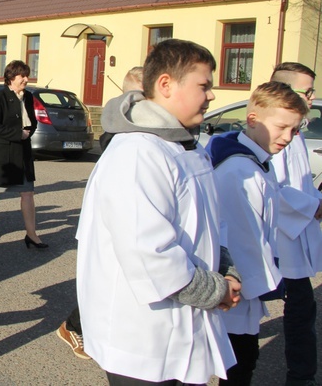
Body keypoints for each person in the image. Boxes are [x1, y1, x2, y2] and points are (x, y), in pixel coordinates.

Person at [76, 39, 241, 385]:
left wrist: (227, 268)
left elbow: (209, 223)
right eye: (204, 85)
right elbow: (149, 253)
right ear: (166, 84)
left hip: (180, 324)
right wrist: (216, 290)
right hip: (142, 337)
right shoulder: (138, 152)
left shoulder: (184, 146)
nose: (211, 96)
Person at [206, 81, 308, 385]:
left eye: (295, 130)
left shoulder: (255, 159)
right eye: (281, 127)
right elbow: (243, 239)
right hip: (237, 288)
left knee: (240, 360)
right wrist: (269, 284)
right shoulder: (241, 169)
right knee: (239, 363)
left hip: (241, 287)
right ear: (253, 119)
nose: (288, 138)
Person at [56, 65, 145, 360]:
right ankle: (73, 325)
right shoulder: (122, 129)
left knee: (118, 284)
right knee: (105, 282)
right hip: (111, 222)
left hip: (123, 219)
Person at [269, 62, 322, 386]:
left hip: (294, 236)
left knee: (302, 310)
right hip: (277, 240)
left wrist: (313, 197)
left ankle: (301, 376)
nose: (313, 97)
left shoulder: (296, 132)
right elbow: (272, 189)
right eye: (307, 91)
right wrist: (314, 206)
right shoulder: (272, 134)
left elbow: (299, 185)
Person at [0, 60, 45, 247]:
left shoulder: (29, 97)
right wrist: (18, 134)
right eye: (22, 76)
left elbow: (33, 121)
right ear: (10, 77)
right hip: (2, 153)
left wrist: (28, 132)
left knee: (28, 192)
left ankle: (31, 234)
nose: (26, 79)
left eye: (27, 75)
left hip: (23, 152)